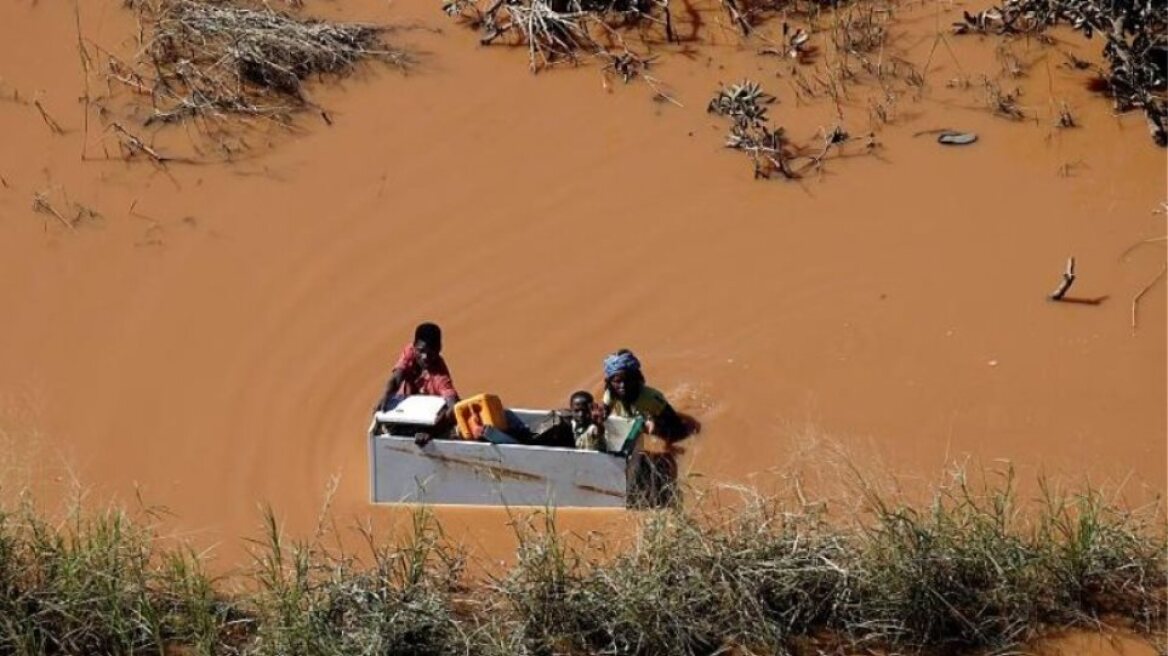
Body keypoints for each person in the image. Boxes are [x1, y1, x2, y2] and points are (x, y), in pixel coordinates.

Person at [600, 349, 684, 507]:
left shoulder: (650, 398)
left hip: (656, 424)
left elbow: (675, 424)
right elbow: (603, 416)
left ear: (636, 378)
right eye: (617, 381)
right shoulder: (610, 395)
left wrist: (667, 441)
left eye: (627, 380)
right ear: (609, 382)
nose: (623, 386)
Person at [376, 322, 460, 445]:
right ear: (414, 346)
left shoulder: (440, 376)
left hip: (428, 421)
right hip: (404, 412)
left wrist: (431, 432)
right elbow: (396, 378)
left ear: (439, 349)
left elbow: (454, 406)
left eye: (431, 352)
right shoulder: (410, 352)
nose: (425, 356)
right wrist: (385, 396)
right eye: (421, 351)